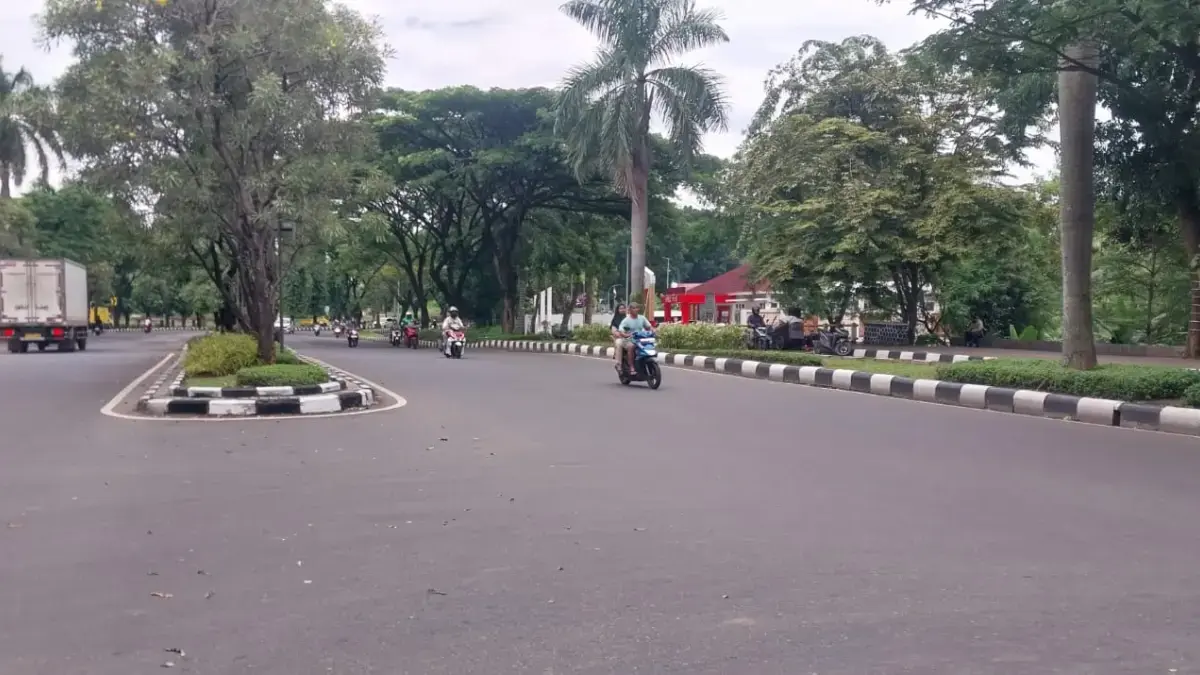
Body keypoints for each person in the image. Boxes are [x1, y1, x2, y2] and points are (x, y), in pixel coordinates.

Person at [616, 302, 655, 374]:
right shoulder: (626, 321)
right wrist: (626, 335)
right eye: (633, 308)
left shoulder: (642, 318)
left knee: (650, 345)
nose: (636, 309)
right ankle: (631, 367)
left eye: (637, 308)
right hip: (629, 340)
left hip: (640, 339)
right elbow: (621, 331)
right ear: (629, 310)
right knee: (631, 346)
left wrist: (653, 330)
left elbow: (648, 326)